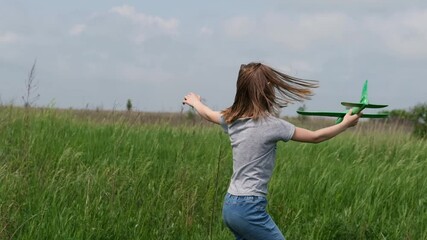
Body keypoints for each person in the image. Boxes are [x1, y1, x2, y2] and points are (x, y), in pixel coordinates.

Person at [182, 62, 361, 240]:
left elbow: (207, 113)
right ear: (267, 90)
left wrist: (195, 102)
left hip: (230, 206)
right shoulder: (272, 125)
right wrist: (345, 124)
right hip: (249, 208)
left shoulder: (231, 118)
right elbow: (315, 137)